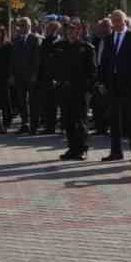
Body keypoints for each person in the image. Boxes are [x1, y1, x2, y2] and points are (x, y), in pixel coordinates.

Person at [96, 9, 131, 162]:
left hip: (129, 83)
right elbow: (104, 62)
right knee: (114, 119)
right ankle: (116, 151)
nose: (116, 23)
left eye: (118, 20)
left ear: (124, 21)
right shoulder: (108, 38)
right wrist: (102, 82)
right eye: (113, 20)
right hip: (112, 83)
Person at [57, 19, 98, 161]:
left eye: (74, 29)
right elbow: (54, 67)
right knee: (67, 120)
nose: (71, 31)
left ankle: (82, 149)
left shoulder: (86, 48)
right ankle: (72, 148)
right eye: (68, 29)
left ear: (79, 31)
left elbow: (92, 72)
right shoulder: (59, 46)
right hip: (65, 89)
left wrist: (88, 91)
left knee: (80, 121)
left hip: (80, 90)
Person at [10, 17, 42, 134]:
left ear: (29, 26)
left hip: (30, 75)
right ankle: (24, 123)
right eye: (20, 25)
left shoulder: (34, 39)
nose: (20, 27)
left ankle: (34, 125)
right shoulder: (17, 39)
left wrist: (35, 74)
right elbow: (13, 58)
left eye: (23, 25)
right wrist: (12, 74)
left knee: (33, 101)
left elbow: (37, 59)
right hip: (19, 75)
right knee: (21, 101)